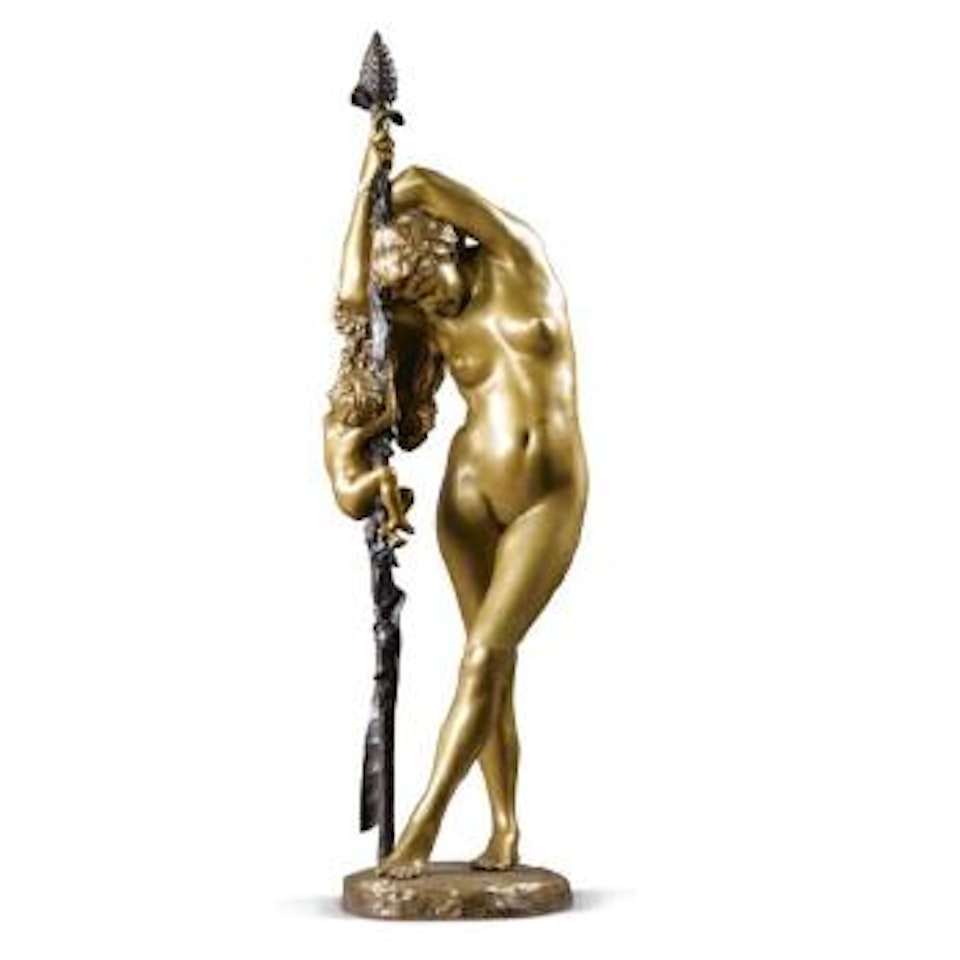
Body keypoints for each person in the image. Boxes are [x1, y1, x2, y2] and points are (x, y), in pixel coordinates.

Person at [330, 111, 588, 879]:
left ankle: (422, 826)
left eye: (429, 286)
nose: (429, 308)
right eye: (413, 300)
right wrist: (361, 206)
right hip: (469, 493)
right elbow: (352, 304)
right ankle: (505, 829)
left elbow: (420, 182)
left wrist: (379, 180)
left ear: (449, 245)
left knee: (485, 655)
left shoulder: (517, 259)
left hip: (548, 496)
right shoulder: (423, 311)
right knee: (489, 664)